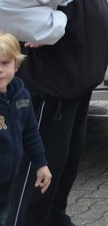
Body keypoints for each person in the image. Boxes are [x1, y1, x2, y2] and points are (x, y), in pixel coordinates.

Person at [0, 0, 108, 225]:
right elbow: (7, 5)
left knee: (59, 175)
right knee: (37, 180)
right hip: (54, 88)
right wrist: (53, 28)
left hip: (72, 86)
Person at [0, 33, 51, 224]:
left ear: (16, 64)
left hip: (5, 190)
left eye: (5, 63)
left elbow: (30, 132)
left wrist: (41, 163)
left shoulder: (21, 97)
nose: (0, 70)